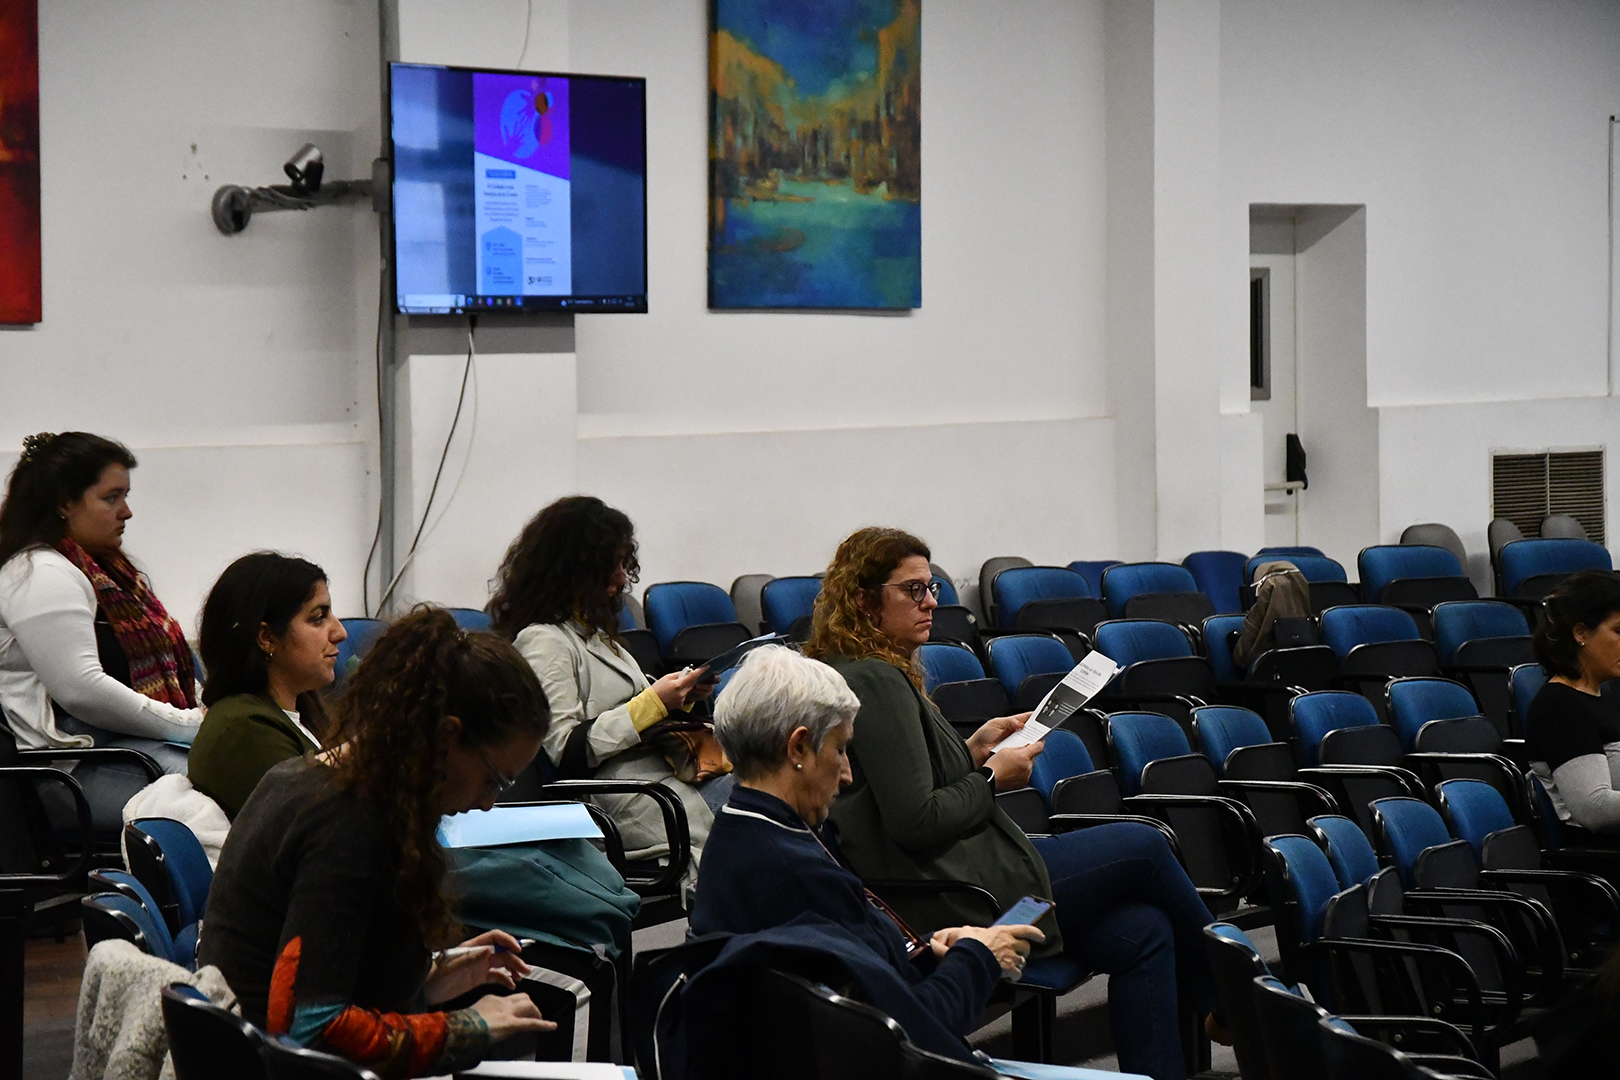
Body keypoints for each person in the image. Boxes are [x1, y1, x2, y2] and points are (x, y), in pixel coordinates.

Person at [805, 526, 1218, 1080]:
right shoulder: (875, 679)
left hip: (962, 874)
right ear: (862, 599)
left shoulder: (862, 668)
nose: (931, 603)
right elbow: (916, 820)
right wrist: (993, 778)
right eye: (913, 590)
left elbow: (903, 786)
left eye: (932, 588)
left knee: (1144, 930)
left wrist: (974, 750)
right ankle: (1234, 1000)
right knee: (1145, 844)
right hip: (959, 898)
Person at [198, 608, 556, 1077]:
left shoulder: (310, 778)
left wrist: (425, 979)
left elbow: (325, 976)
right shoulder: (347, 825)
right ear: (446, 735)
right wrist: (469, 1026)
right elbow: (312, 1030)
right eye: (494, 779)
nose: (489, 803)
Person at [692, 644, 1050, 1075]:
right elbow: (912, 1035)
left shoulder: (737, 838)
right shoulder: (799, 873)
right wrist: (979, 956)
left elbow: (858, 974)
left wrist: (927, 950)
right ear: (799, 748)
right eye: (841, 749)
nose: (846, 774)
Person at [487, 496, 722, 868]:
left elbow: (637, 711)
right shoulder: (544, 642)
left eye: (623, 563)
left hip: (662, 781)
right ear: (575, 570)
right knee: (763, 813)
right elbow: (563, 751)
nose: (622, 577)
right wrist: (654, 703)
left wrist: (681, 696)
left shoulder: (595, 636)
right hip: (625, 797)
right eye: (612, 564)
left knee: (771, 802)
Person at [0, 432, 201, 774]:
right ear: (64, 504)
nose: (127, 512)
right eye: (111, 498)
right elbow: (82, 691)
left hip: (119, 746)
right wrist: (190, 725)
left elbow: (178, 661)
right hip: (71, 765)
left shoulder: (110, 575)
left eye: (125, 496)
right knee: (219, 779)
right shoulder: (39, 572)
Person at [187, 552, 348, 819]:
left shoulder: (290, 713)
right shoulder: (244, 730)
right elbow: (323, 826)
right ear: (266, 638)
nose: (340, 632)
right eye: (318, 618)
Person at [1525, 570, 1620, 842]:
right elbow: (1595, 808)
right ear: (1580, 633)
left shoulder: (1607, 697)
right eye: (1619, 631)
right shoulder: (1559, 707)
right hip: (1602, 858)